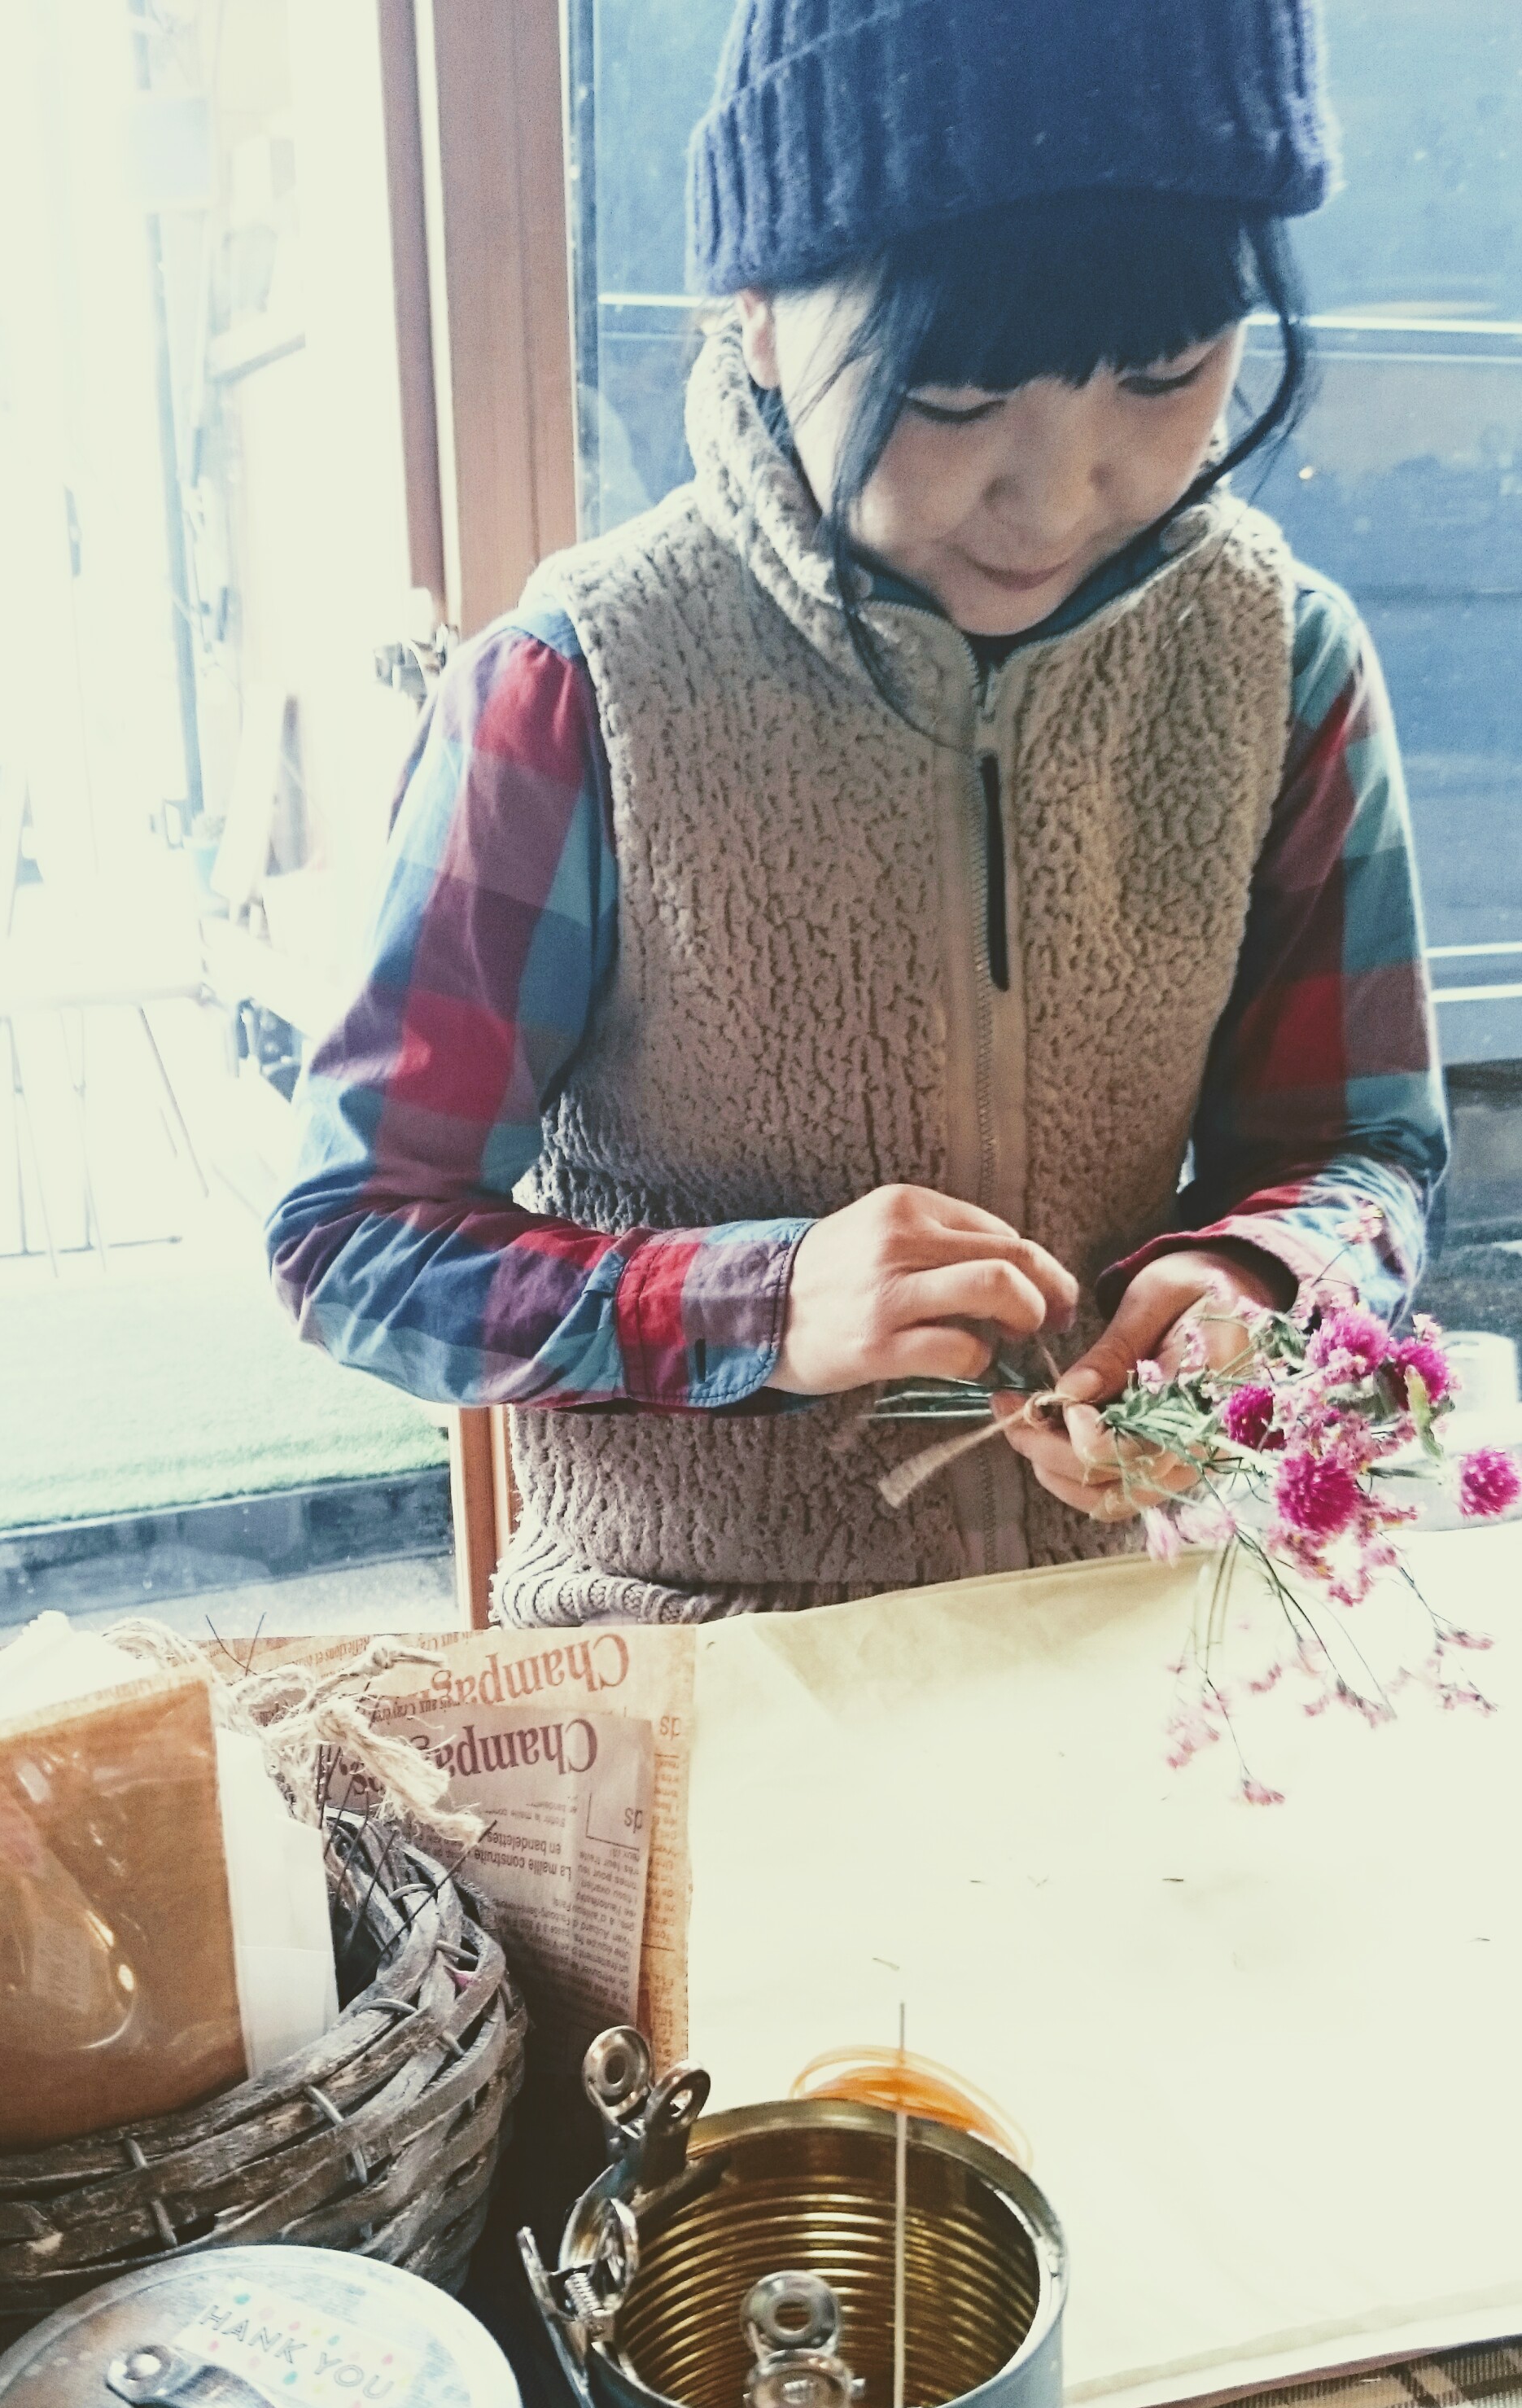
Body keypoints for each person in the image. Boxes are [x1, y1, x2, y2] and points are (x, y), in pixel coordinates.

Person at [267, 0, 1447, 1627]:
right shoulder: (583, 689)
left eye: (1167, 373)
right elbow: (351, 1238)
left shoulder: (1285, 664)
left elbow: (1360, 1146)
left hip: (1119, 1631)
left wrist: (1250, 1276)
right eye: (954, 397)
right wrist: (758, 1302)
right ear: (754, 314)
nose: (1059, 491)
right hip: (687, 1645)